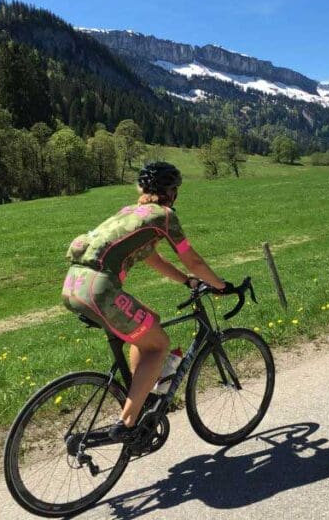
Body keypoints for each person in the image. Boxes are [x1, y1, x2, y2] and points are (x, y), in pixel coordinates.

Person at [61, 161, 231, 441]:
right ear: (172, 192)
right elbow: (192, 258)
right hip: (99, 290)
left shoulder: (131, 214)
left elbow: (153, 258)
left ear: (142, 189)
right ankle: (127, 423)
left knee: (149, 322)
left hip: (74, 285)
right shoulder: (164, 216)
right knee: (159, 344)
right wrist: (220, 285)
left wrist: (186, 281)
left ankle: (138, 396)